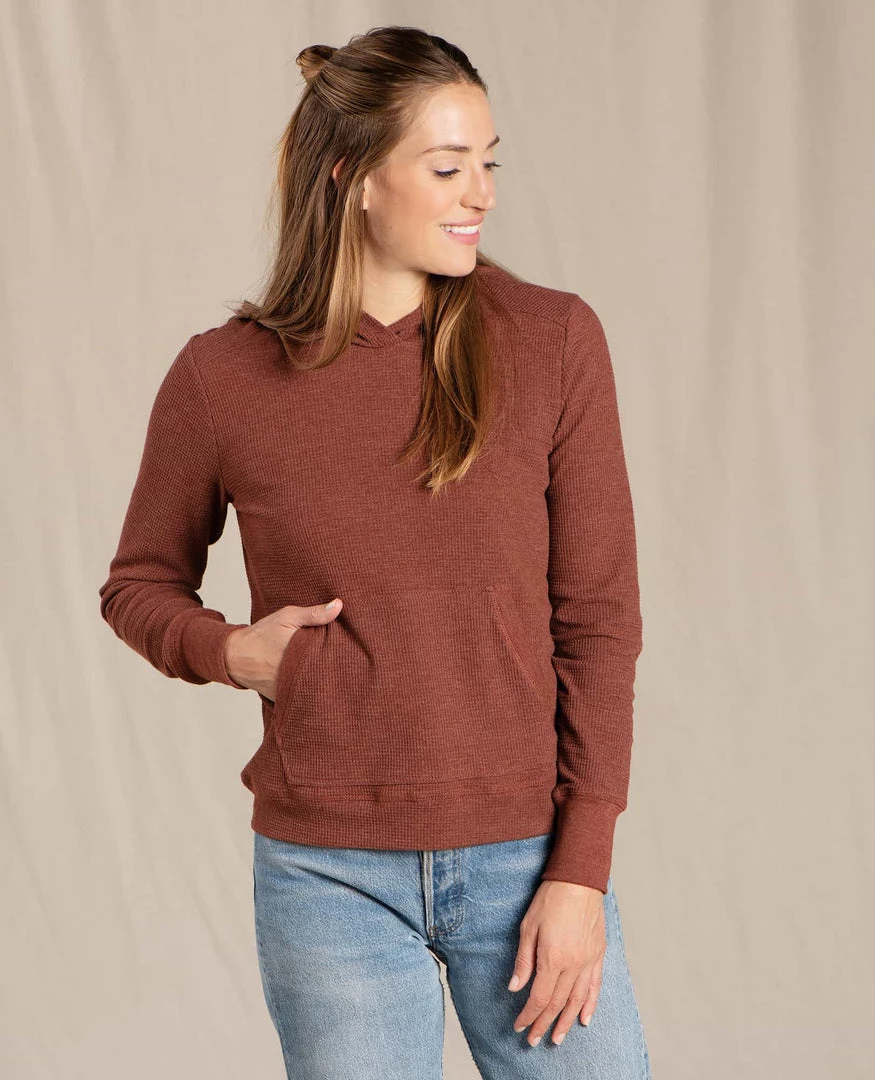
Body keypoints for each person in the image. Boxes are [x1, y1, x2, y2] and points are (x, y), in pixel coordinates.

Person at [98, 24, 651, 1080]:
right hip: (326, 875)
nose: (479, 193)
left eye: (487, 163)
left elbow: (598, 621)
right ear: (351, 177)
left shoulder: (552, 341)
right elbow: (139, 584)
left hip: (525, 857)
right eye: (446, 168)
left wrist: (580, 869)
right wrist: (232, 652)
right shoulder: (223, 378)